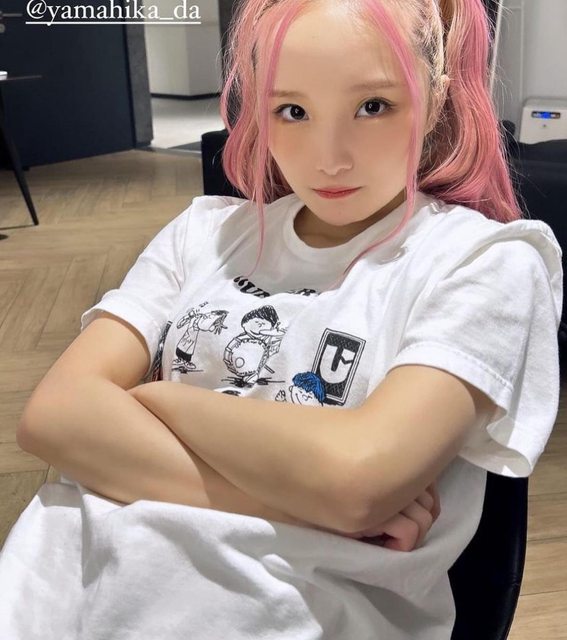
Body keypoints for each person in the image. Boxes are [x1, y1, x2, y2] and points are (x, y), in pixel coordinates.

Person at [0, 0, 562, 638]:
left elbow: (356, 479)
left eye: (373, 105)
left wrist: (157, 399)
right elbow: (54, 416)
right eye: (292, 111)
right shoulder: (204, 233)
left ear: (436, 98)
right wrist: (303, 501)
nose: (330, 159)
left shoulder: (485, 260)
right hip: (47, 587)